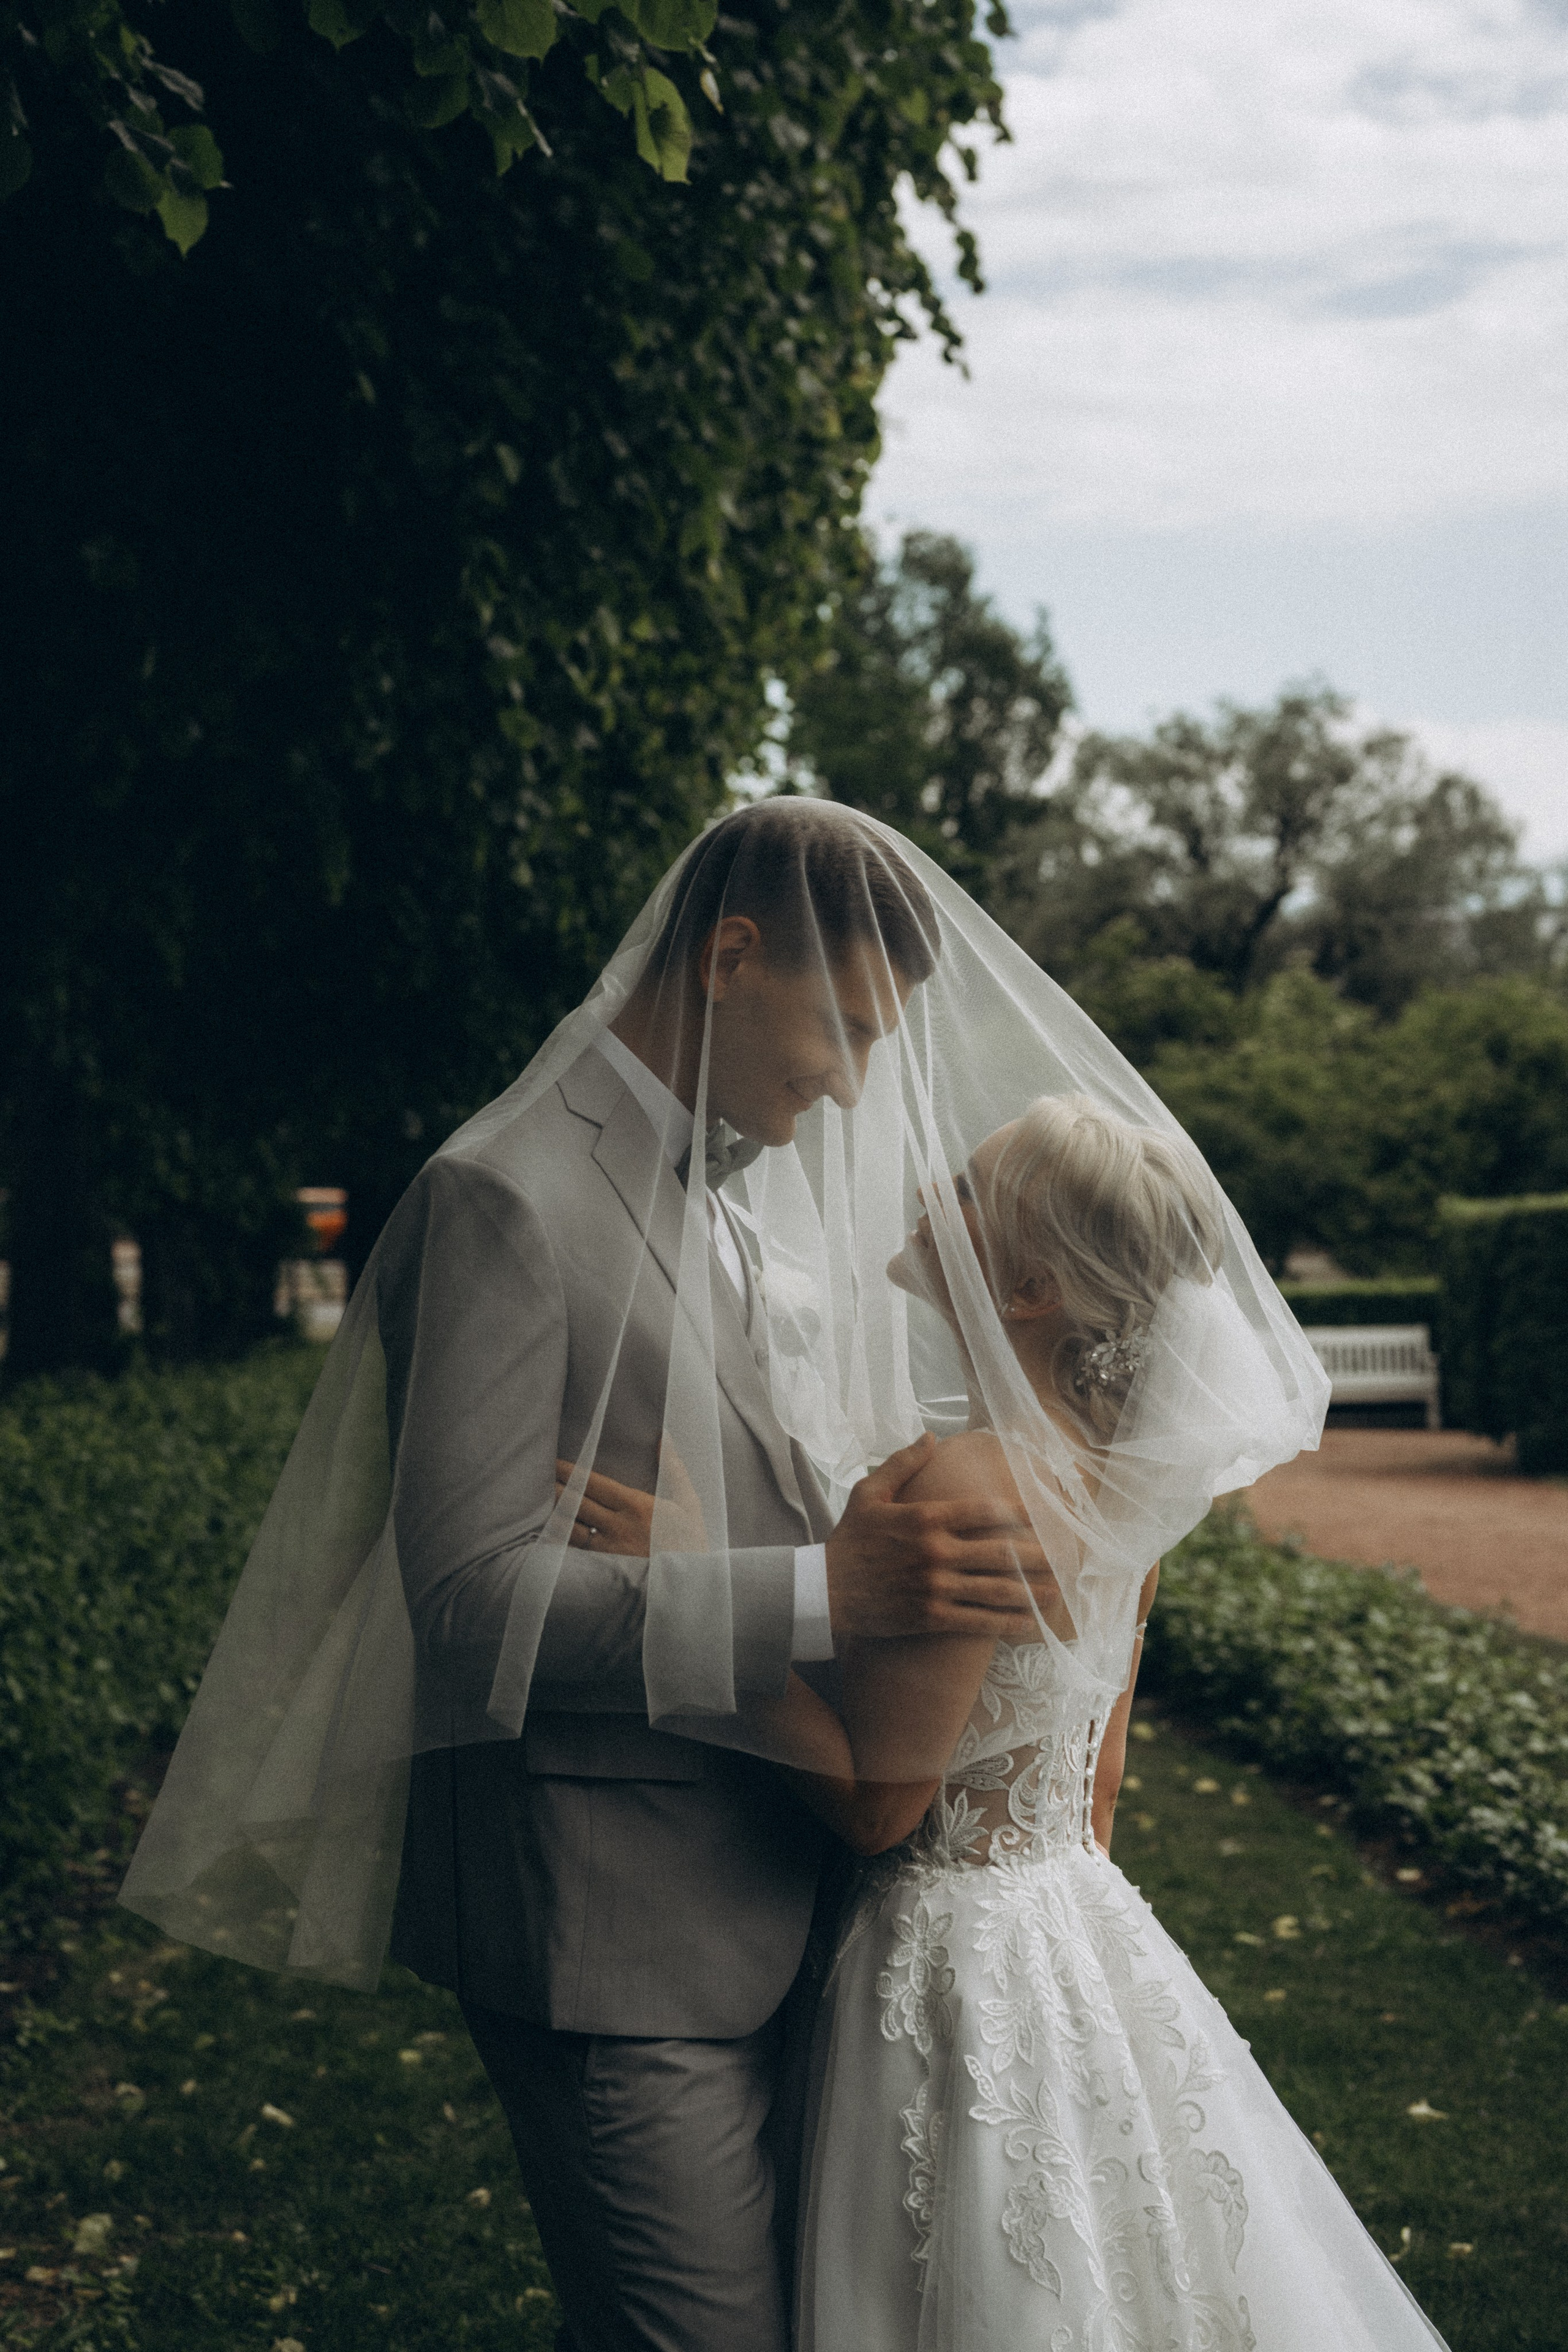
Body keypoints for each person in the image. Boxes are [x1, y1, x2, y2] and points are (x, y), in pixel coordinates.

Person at [121, 802, 1062, 2352]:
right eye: (838, 1026)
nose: (847, 1082)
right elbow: (472, 1601)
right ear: (730, 956)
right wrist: (835, 1597)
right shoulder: (501, 1195)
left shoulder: (730, 1197)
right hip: (610, 1938)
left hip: (775, 1891)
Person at [580, 1095, 1453, 2351]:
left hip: (944, 1958)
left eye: (968, 1189)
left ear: (1032, 1286)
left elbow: (881, 1808)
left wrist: (691, 1590)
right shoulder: (1120, 1499)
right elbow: (1092, 1796)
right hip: (1072, 1921)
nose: (930, 1191)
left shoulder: (966, 1483)